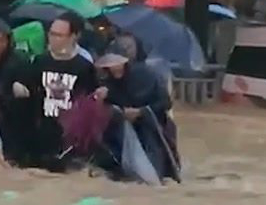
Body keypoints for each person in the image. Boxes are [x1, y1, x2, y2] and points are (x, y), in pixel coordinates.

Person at [13, 12, 96, 169]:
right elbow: (27, 86)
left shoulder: (84, 67)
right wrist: (20, 87)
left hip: (69, 139)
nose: (52, 39)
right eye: (51, 34)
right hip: (41, 134)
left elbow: (90, 102)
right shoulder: (40, 61)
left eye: (59, 35)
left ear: (74, 36)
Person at [94, 51, 181, 182]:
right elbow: (115, 105)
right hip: (124, 132)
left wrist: (141, 111)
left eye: (118, 63)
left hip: (153, 128)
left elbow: (165, 102)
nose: (115, 68)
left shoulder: (145, 76)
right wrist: (103, 99)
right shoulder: (106, 82)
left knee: (157, 174)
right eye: (111, 64)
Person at [0, 19, 30, 162]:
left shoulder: (19, 62)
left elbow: (27, 90)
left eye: (1, 41)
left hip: (9, 120)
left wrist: (19, 87)